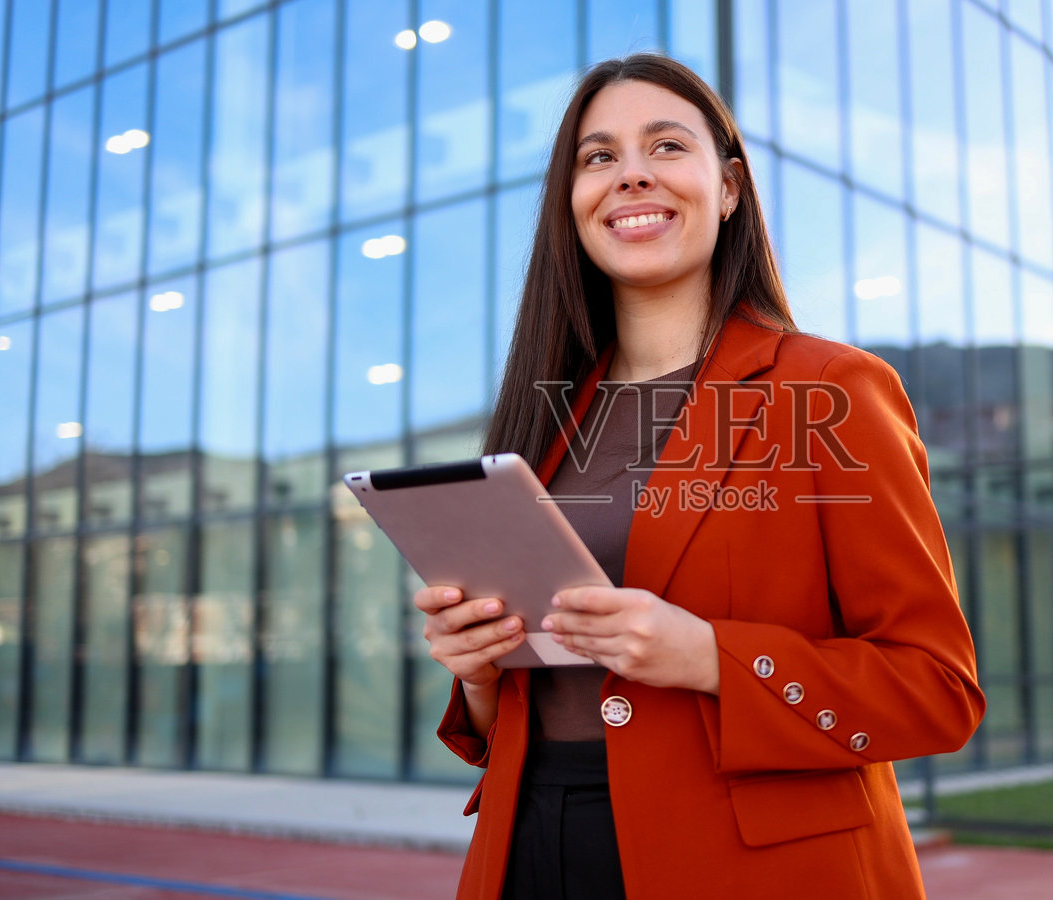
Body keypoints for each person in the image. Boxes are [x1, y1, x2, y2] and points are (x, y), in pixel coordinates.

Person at [413, 53, 984, 900]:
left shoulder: (829, 389)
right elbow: (536, 708)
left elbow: (936, 691)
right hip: (532, 844)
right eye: (598, 156)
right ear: (572, 206)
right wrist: (480, 670)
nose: (631, 174)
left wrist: (712, 657)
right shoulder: (546, 419)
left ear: (728, 189)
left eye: (666, 146)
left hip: (757, 868)